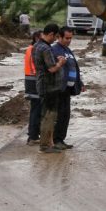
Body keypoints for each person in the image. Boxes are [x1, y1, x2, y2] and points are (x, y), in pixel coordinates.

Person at [32, 23, 67, 153]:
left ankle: (48, 144)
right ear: (51, 34)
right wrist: (60, 63)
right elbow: (52, 68)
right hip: (49, 87)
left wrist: (54, 60)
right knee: (49, 116)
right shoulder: (46, 49)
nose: (55, 40)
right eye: (55, 36)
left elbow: (45, 64)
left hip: (42, 84)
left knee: (46, 114)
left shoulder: (36, 46)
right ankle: (45, 145)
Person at [51, 26, 83, 149]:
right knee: (59, 115)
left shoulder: (67, 50)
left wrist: (79, 82)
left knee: (65, 115)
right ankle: (55, 140)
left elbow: (73, 67)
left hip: (68, 89)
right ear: (59, 37)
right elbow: (53, 68)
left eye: (70, 38)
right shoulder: (55, 50)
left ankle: (61, 139)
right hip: (59, 88)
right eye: (66, 38)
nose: (69, 40)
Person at [24, 30, 42, 145]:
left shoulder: (31, 48)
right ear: (36, 38)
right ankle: (33, 136)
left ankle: (33, 135)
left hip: (31, 80)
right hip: (34, 81)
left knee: (36, 109)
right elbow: (35, 67)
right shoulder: (33, 49)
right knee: (36, 110)